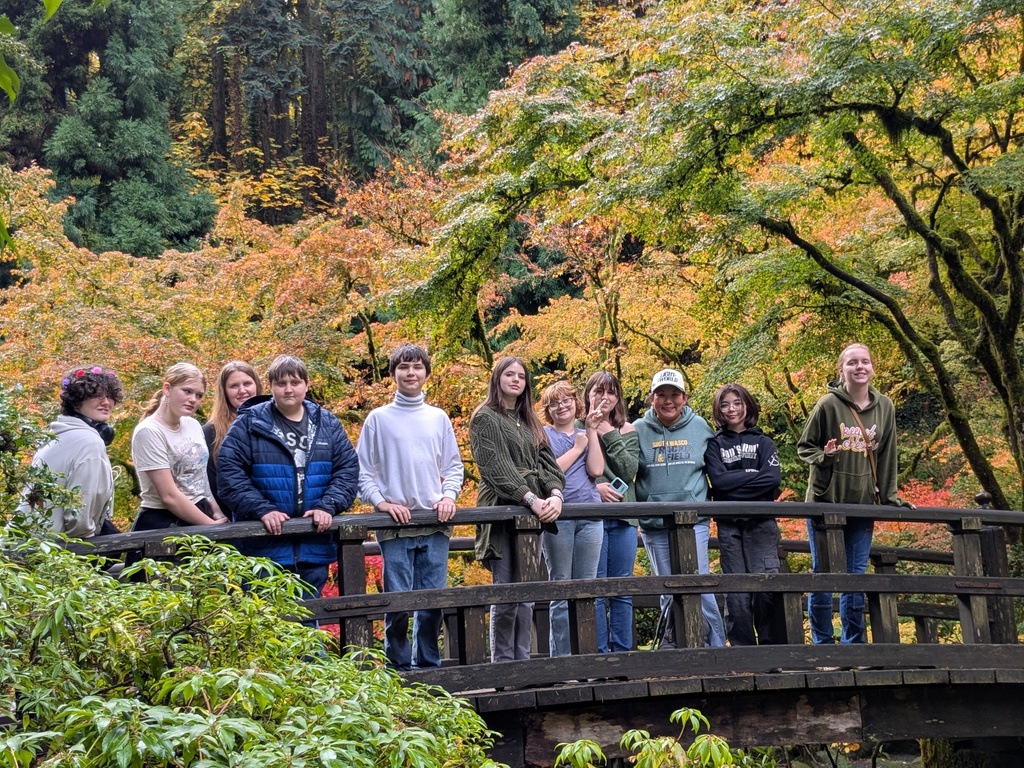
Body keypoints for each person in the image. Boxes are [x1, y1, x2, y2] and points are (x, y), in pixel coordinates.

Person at [357, 344, 465, 671]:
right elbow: (362, 473)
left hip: (434, 523)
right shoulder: (378, 419)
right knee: (398, 604)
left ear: (426, 373)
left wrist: (448, 496)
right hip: (394, 526)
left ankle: (428, 666)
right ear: (393, 374)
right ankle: (399, 667)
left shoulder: (438, 418)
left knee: (432, 603)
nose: (411, 373)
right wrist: (381, 502)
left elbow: (454, 466)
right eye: (404, 367)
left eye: (417, 367)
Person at [218, 355, 359, 599]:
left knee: (307, 623)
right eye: (281, 383)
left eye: (294, 382)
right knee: (266, 623)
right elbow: (229, 474)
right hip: (263, 548)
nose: (288, 389)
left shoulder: (327, 423)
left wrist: (328, 506)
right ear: (271, 387)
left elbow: (347, 470)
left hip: (314, 544)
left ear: (306, 384)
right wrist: (262, 509)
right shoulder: (251, 422)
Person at [798, 342, 912, 644]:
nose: (859, 367)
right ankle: (823, 646)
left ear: (872, 367)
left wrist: (889, 498)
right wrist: (826, 456)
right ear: (842, 369)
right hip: (825, 500)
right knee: (822, 574)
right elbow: (804, 447)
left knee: (855, 575)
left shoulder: (885, 406)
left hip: (862, 503)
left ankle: (854, 644)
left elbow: (888, 455)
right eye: (852, 362)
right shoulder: (827, 405)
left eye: (865, 361)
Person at [470, 356, 565, 662]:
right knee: (506, 590)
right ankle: (503, 664)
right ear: (497, 378)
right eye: (509, 374)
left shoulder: (530, 421)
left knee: (527, 590)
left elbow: (547, 463)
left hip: (534, 512)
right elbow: (495, 467)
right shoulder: (485, 418)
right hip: (503, 508)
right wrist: (530, 498)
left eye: (521, 376)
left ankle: (523, 662)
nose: (515, 380)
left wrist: (555, 495)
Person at [633, 368, 725, 648]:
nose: (668, 400)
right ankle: (672, 643)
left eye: (674, 394)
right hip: (654, 522)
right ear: (651, 398)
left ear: (684, 398)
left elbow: (717, 468)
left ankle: (715, 644)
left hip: (693, 520)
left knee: (700, 583)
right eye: (661, 394)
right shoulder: (637, 429)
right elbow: (623, 469)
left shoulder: (700, 427)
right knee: (666, 586)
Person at [704, 383, 782, 646]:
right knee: (736, 591)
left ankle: (773, 649)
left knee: (766, 586)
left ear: (747, 405)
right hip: (729, 526)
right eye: (725, 404)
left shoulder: (764, 442)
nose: (731, 409)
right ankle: (742, 649)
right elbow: (719, 482)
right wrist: (752, 477)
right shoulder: (714, 444)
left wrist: (734, 483)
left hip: (762, 524)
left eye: (737, 403)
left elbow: (772, 480)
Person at [538, 381, 604, 657]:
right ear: (548, 410)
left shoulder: (584, 433)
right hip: (559, 518)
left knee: (587, 588)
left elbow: (597, 470)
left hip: (590, 514)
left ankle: (587, 656)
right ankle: (562, 659)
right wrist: (577, 448)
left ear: (576, 404)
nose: (561, 407)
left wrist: (590, 431)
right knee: (561, 586)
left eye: (566, 401)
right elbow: (548, 473)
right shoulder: (542, 435)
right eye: (554, 403)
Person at [18, 365, 125, 538]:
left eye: (111, 396)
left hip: (24, 545)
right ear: (76, 400)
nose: (106, 402)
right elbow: (79, 519)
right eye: (96, 395)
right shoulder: (89, 442)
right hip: (51, 552)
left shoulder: (54, 437)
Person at [131, 363, 227, 532]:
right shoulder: (149, 431)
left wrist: (215, 510)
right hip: (165, 522)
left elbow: (200, 477)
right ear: (167, 389)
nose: (193, 400)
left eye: (199, 395)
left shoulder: (193, 424)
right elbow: (169, 497)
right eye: (187, 391)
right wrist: (210, 526)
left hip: (200, 513)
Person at [584, 371, 640, 654]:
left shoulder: (627, 430)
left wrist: (609, 434)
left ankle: (623, 653)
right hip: (590, 517)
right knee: (595, 589)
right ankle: (599, 653)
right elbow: (569, 472)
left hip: (623, 517)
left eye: (610, 392)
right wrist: (597, 487)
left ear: (617, 398)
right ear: (588, 394)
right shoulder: (576, 428)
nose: (604, 397)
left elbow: (629, 470)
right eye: (598, 391)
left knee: (621, 588)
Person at [203, 361, 262, 511]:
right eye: (234, 386)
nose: (242, 390)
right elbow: (210, 483)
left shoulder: (274, 424)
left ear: (257, 385)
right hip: (230, 517)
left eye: (247, 383)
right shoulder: (211, 433)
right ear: (224, 392)